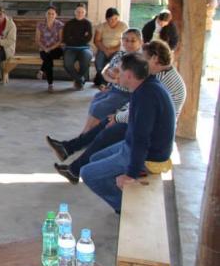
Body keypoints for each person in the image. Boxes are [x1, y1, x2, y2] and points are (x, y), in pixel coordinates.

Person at [49, 40, 186, 185]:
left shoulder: (160, 78)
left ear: (154, 59)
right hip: (150, 125)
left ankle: (74, 165)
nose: (142, 63)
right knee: (107, 123)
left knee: (106, 134)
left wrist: (118, 117)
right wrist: (118, 115)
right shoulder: (159, 75)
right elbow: (138, 106)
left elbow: (143, 114)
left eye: (144, 58)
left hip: (156, 133)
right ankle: (70, 153)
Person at [77, 53, 176, 212]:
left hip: (151, 156)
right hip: (138, 146)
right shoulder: (146, 85)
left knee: (87, 173)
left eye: (120, 71)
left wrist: (131, 174)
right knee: (95, 158)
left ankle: (126, 207)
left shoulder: (146, 96)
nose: (117, 74)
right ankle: (125, 195)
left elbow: (141, 139)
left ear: (129, 75)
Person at [80, 28, 143, 133]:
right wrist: (112, 81)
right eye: (126, 40)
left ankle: (84, 135)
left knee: (99, 107)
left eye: (133, 40)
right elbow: (105, 71)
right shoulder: (120, 54)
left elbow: (129, 81)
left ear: (140, 42)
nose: (128, 43)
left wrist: (115, 79)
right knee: (97, 98)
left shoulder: (140, 59)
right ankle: (90, 131)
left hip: (126, 94)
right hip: (114, 88)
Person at [93, 8, 128, 87]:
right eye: (111, 19)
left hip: (117, 50)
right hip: (103, 48)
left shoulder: (123, 26)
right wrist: (105, 50)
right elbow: (97, 41)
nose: (114, 21)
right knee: (98, 64)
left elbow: (125, 41)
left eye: (116, 18)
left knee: (111, 64)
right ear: (107, 19)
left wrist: (113, 49)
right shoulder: (101, 26)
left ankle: (104, 83)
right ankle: (102, 80)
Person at [62, 3, 93, 90]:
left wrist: (74, 38)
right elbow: (66, 38)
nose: (80, 13)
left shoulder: (88, 23)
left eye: (82, 12)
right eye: (78, 12)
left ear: (85, 13)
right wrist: (82, 37)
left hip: (85, 48)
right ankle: (80, 80)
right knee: (67, 64)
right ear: (75, 12)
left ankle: (78, 81)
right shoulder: (69, 23)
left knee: (86, 60)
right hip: (70, 48)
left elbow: (88, 38)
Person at [36, 6, 64, 93]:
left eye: (53, 13)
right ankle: (50, 85)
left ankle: (41, 71)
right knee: (48, 60)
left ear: (56, 15)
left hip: (56, 49)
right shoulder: (40, 25)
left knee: (49, 57)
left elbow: (60, 40)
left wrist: (50, 48)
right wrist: (45, 48)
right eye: (49, 13)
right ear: (45, 14)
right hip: (43, 49)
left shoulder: (59, 25)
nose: (50, 15)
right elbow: (37, 39)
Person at [204, 0, 217, 77]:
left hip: (206, 31)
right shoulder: (208, 9)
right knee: (204, 52)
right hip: (206, 31)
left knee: (204, 52)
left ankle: (202, 72)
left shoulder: (208, 10)